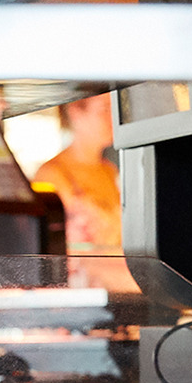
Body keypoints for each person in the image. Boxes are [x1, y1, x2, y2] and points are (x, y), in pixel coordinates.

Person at [31, 93, 138, 294]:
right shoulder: (53, 175)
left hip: (120, 285)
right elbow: (56, 250)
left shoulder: (109, 171)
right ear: (75, 112)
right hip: (84, 289)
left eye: (114, 110)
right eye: (104, 110)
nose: (113, 119)